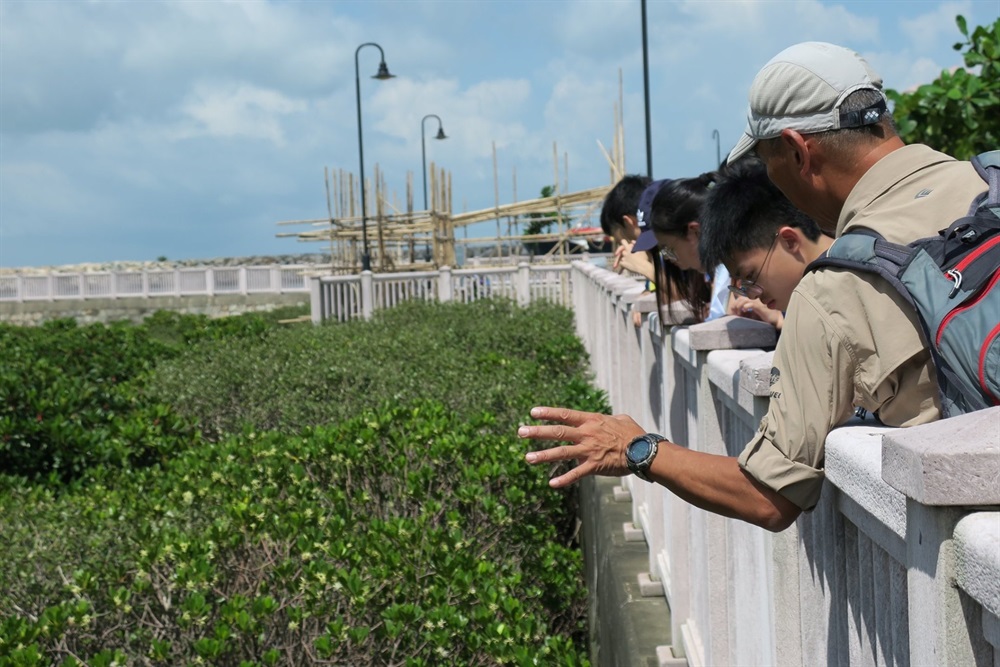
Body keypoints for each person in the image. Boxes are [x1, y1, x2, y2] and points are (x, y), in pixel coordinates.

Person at [519, 41, 988, 531]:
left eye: (768, 164)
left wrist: (638, 447)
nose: (772, 182)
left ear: (797, 150)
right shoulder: (989, 178)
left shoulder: (836, 285)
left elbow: (767, 495)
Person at [698, 157, 834, 331]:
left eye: (751, 276)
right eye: (742, 285)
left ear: (789, 241)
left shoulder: (852, 292)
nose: (752, 294)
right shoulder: (807, 304)